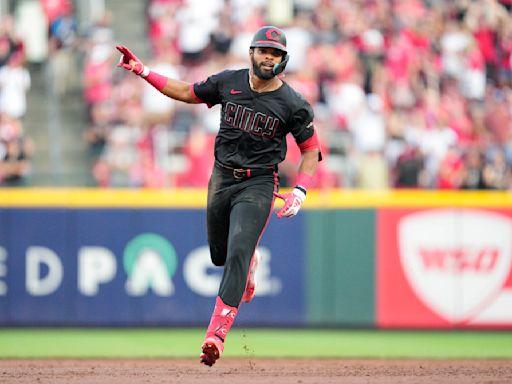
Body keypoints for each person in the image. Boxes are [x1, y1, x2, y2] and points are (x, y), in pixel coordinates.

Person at [116, 25, 322, 367]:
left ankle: (216, 334)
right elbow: (185, 91)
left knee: (239, 250)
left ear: (283, 59)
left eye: (275, 53)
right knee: (219, 255)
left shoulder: (293, 103)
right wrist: (143, 71)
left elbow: (311, 149)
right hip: (222, 177)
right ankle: (248, 262)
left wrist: (299, 189)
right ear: (252, 53)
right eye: (264, 50)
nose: (269, 57)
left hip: (259, 183)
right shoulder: (229, 81)